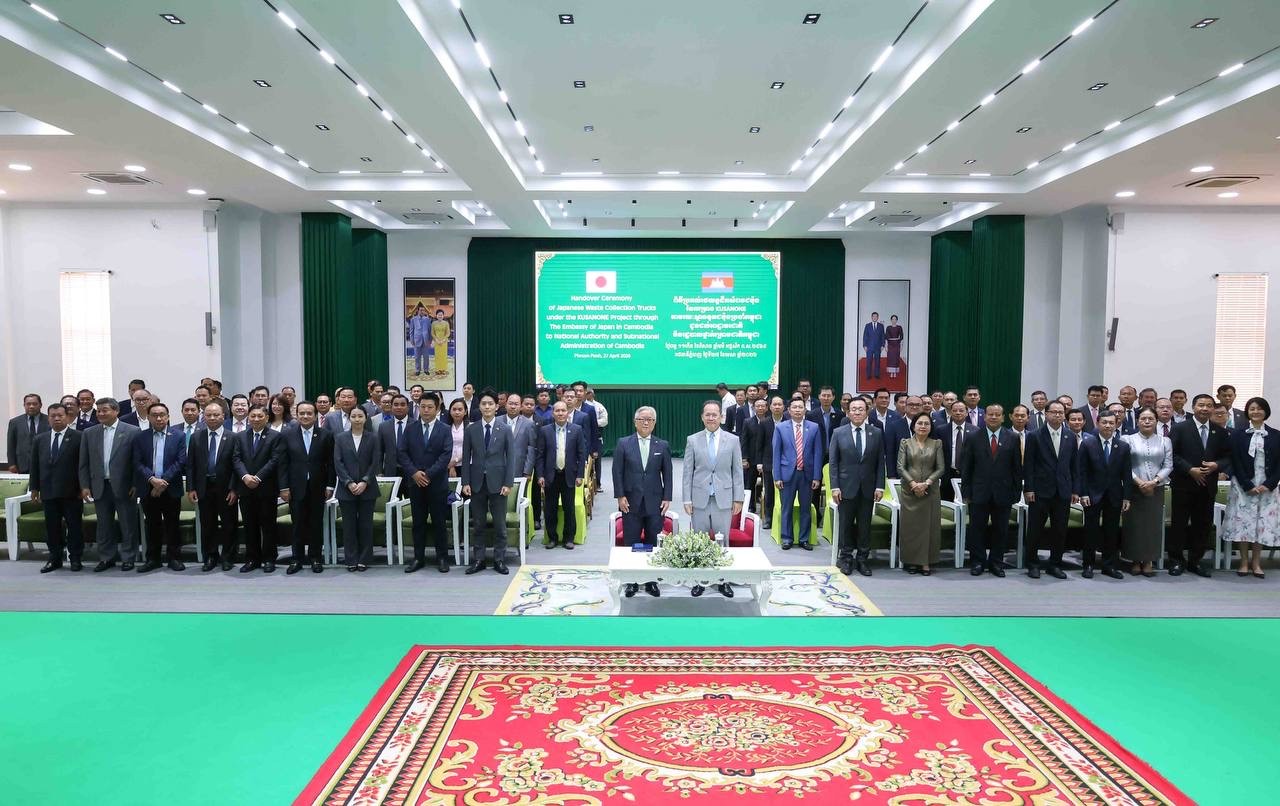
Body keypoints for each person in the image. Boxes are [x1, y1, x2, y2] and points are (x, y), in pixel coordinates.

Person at [684, 400, 742, 598]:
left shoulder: (732, 440)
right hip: (699, 498)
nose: (711, 418)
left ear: (721, 417)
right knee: (699, 541)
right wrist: (686, 499)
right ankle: (700, 581)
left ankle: (722, 580)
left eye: (714, 414)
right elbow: (687, 472)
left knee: (722, 540)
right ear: (702, 417)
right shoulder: (692, 440)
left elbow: (737, 472)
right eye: (707, 414)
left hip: (723, 498)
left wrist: (738, 499)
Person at [1168, 393, 1231, 577]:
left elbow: (1228, 456)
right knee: (1179, 524)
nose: (1205, 408)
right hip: (1183, 484)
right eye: (1201, 405)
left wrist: (1216, 465)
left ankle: (1195, 561)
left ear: (1213, 408)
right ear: (1193, 407)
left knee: (1202, 525)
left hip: (1207, 486)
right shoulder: (1180, 428)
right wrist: (1190, 469)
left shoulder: (1220, 431)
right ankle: (1176, 561)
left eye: (1209, 405)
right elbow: (1172, 455)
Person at [613, 407, 672, 599]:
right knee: (632, 540)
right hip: (630, 502)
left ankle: (651, 580)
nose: (646, 422)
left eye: (650, 419)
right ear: (635, 421)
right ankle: (632, 580)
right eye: (642, 419)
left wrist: (667, 497)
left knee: (653, 541)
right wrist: (620, 496)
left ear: (655, 422)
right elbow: (617, 472)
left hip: (655, 502)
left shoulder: (662, 445)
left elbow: (668, 474)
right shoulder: (623, 443)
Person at [77, 397, 140, 572]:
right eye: (98, 411)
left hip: (125, 486)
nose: (101, 414)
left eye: (105, 410)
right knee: (104, 525)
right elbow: (83, 462)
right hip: (99, 486)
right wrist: (85, 486)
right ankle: (106, 557)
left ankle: (128, 557)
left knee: (128, 524)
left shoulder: (132, 431)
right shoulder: (89, 433)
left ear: (116, 411)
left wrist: (136, 483)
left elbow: (137, 461)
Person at [959, 404, 1022, 576]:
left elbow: (1016, 468)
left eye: (997, 414)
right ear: (984, 416)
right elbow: (966, 467)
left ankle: (996, 563)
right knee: (977, 529)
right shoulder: (973, 437)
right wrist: (966, 492)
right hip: (979, 492)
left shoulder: (1013, 438)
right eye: (990, 414)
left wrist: (1016, 491)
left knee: (1000, 530)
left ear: (1003, 417)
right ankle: (977, 562)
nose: (994, 417)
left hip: (1004, 492)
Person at [1221, 397, 1279, 578]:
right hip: (1243, 485)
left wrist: (1268, 484)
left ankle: (1256, 563)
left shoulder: (1276, 435)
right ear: (1247, 412)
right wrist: (1247, 484)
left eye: (1259, 408)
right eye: (1252, 409)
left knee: (1261, 524)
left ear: (1266, 411)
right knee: (1243, 523)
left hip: (1267, 487)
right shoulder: (1237, 435)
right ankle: (1244, 562)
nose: (1255, 412)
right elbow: (1235, 461)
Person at [829, 398, 885, 577]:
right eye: (854, 409)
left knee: (864, 525)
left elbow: (880, 462)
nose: (857, 412)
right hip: (845, 488)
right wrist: (835, 487)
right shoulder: (838, 432)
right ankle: (845, 558)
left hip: (868, 488)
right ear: (848, 412)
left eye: (861, 409)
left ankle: (862, 559)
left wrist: (880, 486)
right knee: (845, 525)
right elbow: (833, 463)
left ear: (867, 412)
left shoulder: (876, 433)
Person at [461, 391, 515, 574]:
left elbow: (511, 458)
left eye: (490, 403)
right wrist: (465, 482)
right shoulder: (471, 429)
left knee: (500, 525)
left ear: (496, 406)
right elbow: (466, 458)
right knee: (478, 524)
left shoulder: (505, 429)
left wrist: (508, 483)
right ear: (479, 406)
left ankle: (499, 559)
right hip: (476, 483)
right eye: (483, 403)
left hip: (498, 483)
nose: (487, 407)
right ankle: (479, 559)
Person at [398, 394, 453, 573]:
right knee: (418, 523)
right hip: (415, 484)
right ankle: (418, 558)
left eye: (430, 407)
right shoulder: (410, 428)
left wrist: (427, 474)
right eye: (423, 407)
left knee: (439, 523)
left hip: (437, 484)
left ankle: (442, 558)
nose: (426, 410)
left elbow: (446, 455)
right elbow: (402, 453)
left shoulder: (445, 429)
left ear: (437, 409)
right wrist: (414, 473)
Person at [1023, 401, 1078, 579]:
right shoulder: (1035, 435)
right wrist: (1029, 488)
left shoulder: (1070, 436)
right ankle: (1032, 564)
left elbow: (1074, 465)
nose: (1057, 415)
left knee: (1060, 530)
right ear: (1046, 414)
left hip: (1063, 491)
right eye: (1054, 412)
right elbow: (1029, 464)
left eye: (1061, 412)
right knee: (1035, 530)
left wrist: (1075, 489)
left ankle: (1055, 564)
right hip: (1039, 491)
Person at [132, 402, 187, 573]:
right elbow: (137, 462)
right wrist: (152, 480)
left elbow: (180, 461)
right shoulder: (140, 437)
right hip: (148, 488)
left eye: (162, 414)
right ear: (148, 417)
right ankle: (153, 559)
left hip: (171, 488)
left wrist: (162, 482)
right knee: (151, 525)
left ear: (168, 416)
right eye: (154, 415)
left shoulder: (179, 436)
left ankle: (174, 558)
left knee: (173, 525)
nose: (159, 418)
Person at [280, 401, 334, 574]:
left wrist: (330, 485)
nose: (305, 416)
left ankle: (315, 558)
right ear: (296, 415)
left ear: (315, 415)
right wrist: (284, 487)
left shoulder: (326, 435)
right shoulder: (287, 435)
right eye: (301, 413)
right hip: (295, 487)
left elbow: (331, 463)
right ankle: (296, 559)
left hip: (318, 487)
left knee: (316, 524)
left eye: (309, 413)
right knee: (297, 524)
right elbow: (283, 463)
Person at [29, 404, 84, 572]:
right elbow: (34, 466)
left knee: (74, 527)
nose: (57, 418)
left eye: (60, 415)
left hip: (72, 492)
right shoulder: (40, 439)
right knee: (52, 528)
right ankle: (55, 559)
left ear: (67, 417)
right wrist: (34, 488)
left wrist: (84, 487)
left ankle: (75, 559)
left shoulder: (79, 437)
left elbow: (83, 465)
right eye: (53, 416)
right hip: (48, 491)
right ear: (48, 418)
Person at [233, 404, 287, 573]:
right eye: (253, 416)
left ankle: (269, 559)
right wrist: (245, 476)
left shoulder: (276, 436)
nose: (256, 419)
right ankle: (252, 559)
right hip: (245, 488)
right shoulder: (240, 436)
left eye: (260, 416)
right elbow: (236, 459)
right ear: (248, 418)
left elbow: (275, 460)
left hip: (266, 488)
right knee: (250, 526)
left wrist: (257, 477)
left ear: (267, 418)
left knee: (268, 525)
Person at [1076, 412, 1130, 579]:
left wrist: (1126, 497)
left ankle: (1109, 566)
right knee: (1090, 531)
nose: (1108, 426)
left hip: (1114, 495)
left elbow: (1127, 474)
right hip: (1092, 495)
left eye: (1111, 423)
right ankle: (1088, 565)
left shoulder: (1123, 446)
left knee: (1111, 532)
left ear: (1116, 425)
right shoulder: (1087, 444)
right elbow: (1081, 471)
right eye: (1104, 422)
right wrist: (1083, 493)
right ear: (1098, 423)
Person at [186, 400, 239, 572]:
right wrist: (191, 488)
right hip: (204, 487)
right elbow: (191, 465)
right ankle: (210, 556)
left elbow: (236, 466)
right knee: (207, 524)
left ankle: (228, 557)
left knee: (229, 524)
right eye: (209, 415)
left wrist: (234, 489)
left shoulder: (233, 437)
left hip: (226, 488)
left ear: (223, 416)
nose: (212, 418)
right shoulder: (196, 437)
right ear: (204, 417)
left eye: (216, 415)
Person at [1122, 407, 1172, 576]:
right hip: (1133, 489)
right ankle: (1135, 560)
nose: (1147, 421)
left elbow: (1168, 465)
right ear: (1137, 421)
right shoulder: (1127, 439)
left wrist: (1154, 482)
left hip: (1156, 489)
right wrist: (1139, 482)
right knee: (1134, 525)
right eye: (1143, 418)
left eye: (1151, 418)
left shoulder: (1165, 441)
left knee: (1152, 526)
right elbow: (1124, 465)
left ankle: (1149, 560)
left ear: (1156, 421)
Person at [333, 406, 381, 572]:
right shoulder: (340, 438)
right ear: (349, 418)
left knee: (366, 525)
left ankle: (364, 558)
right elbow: (338, 462)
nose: (357, 419)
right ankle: (351, 559)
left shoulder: (373, 437)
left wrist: (365, 481)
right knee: (349, 526)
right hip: (346, 489)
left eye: (360, 416)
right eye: (353, 416)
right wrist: (348, 482)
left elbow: (375, 462)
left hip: (368, 488)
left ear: (366, 418)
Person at [771, 398, 820, 550]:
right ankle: (787, 538)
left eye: (800, 407)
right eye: (795, 407)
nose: (798, 410)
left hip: (807, 474)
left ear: (805, 410)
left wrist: (817, 476)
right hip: (787, 474)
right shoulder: (781, 428)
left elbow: (818, 453)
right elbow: (776, 454)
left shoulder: (814, 427)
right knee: (786, 508)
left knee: (806, 508)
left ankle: (804, 539)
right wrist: (777, 477)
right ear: (789, 410)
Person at [536, 401, 587, 550]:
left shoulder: (576, 429)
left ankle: (569, 538)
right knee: (550, 509)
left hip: (569, 475)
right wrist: (540, 475)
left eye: (563, 411)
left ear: (567, 413)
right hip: (550, 476)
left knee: (569, 508)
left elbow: (581, 454)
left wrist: (580, 475)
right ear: (553, 413)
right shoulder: (545, 431)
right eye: (557, 411)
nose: (560, 413)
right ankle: (552, 538)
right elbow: (540, 456)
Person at [896, 412, 943, 574]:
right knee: (911, 528)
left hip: (930, 491)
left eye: (926, 423)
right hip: (910, 491)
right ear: (913, 426)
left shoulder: (936, 444)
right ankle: (911, 561)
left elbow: (941, 468)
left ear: (930, 427)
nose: (923, 426)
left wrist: (927, 483)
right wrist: (913, 484)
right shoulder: (905, 443)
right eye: (920, 423)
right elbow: (900, 467)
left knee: (929, 527)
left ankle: (926, 562)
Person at [938, 400, 973, 502]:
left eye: (961, 410)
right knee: (946, 505)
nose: (958, 413)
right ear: (950, 412)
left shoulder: (975, 431)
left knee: (965, 505)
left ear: (966, 413)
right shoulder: (941, 430)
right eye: (955, 410)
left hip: (967, 476)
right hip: (946, 475)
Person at [495, 393, 536, 480]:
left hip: (519, 469)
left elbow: (531, 448)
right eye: (510, 403)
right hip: (497, 469)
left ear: (521, 407)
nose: (513, 407)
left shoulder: (529, 424)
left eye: (516, 404)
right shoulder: (496, 421)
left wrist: (527, 471)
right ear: (506, 405)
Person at [7, 393, 50, 473]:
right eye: (28, 404)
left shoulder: (49, 420)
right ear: (24, 405)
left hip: (45, 464)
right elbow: (11, 444)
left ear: (40, 405)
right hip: (22, 464)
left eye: (35, 404)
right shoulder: (15, 422)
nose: (31, 406)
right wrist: (11, 463)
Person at [759, 395, 785, 522]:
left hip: (785, 463)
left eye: (779, 404)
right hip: (769, 462)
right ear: (770, 407)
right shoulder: (764, 423)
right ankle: (768, 518)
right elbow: (760, 444)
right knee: (769, 492)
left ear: (784, 407)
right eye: (774, 404)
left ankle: (783, 518)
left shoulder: (789, 422)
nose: (777, 407)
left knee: (785, 492)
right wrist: (759, 462)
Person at [377, 395, 414, 477]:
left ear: (408, 407)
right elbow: (379, 451)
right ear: (391, 407)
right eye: (396, 405)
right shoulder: (383, 426)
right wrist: (379, 471)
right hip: (390, 471)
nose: (399, 407)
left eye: (402, 405)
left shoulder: (416, 425)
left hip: (412, 472)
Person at [447, 397, 467, 476]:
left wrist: (455, 461)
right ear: (450, 411)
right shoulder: (445, 427)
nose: (457, 412)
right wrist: (451, 466)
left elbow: (470, 448)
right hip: (447, 464)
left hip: (465, 465)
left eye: (460, 409)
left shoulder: (470, 427)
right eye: (454, 409)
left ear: (465, 412)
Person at [862, 312, 885, 380]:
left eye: (876, 316)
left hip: (878, 347)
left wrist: (883, 345)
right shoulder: (867, 325)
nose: (874, 317)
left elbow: (883, 336)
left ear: (878, 317)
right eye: (873, 316)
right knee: (869, 361)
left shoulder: (881, 326)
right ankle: (868, 375)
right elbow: (865, 336)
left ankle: (877, 374)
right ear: (871, 317)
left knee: (877, 361)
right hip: (869, 347)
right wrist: (864, 345)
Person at [428, 307, 451, 377]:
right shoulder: (433, 323)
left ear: (443, 316)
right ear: (436, 315)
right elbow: (432, 333)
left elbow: (448, 333)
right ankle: (437, 369)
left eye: (441, 315)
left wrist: (443, 340)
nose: (440, 316)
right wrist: (436, 340)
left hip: (444, 342)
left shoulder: (446, 323)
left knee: (443, 356)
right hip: (436, 341)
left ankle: (443, 369)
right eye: (438, 315)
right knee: (437, 356)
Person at [884, 315, 904, 379]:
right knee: (890, 358)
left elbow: (901, 337)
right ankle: (891, 372)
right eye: (893, 319)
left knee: (896, 358)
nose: (894, 320)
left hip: (897, 344)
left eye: (895, 319)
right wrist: (886, 346)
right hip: (890, 345)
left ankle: (895, 372)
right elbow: (886, 337)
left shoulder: (899, 327)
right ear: (891, 320)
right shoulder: (888, 327)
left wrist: (901, 346)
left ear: (897, 320)